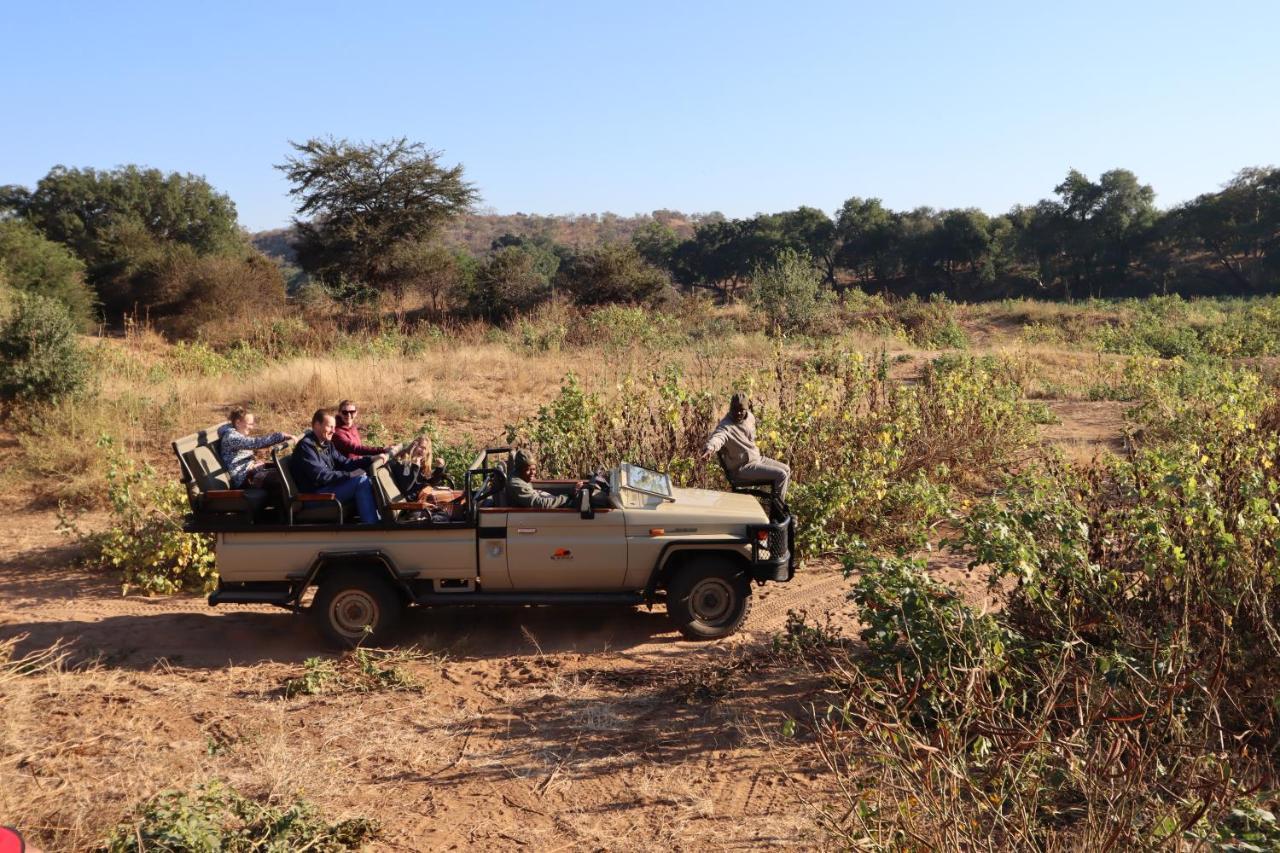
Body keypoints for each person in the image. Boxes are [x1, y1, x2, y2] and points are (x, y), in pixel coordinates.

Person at [290, 408, 381, 524]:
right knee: (360, 483)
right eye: (330, 427)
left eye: (334, 427)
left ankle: (380, 520)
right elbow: (321, 476)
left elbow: (346, 463)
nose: (334, 431)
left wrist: (371, 459)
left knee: (370, 480)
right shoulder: (306, 447)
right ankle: (372, 527)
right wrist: (349, 475)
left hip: (328, 489)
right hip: (314, 496)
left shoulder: (327, 444)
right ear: (317, 425)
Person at [700, 392, 790, 502]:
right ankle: (778, 512)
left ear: (747, 409)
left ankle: (773, 504)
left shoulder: (750, 417)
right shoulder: (726, 426)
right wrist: (710, 448)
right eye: (735, 409)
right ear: (730, 408)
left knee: (786, 469)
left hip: (757, 459)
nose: (738, 413)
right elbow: (718, 437)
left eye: (741, 410)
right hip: (742, 468)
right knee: (781, 475)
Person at [218, 408, 295, 488]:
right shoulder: (231, 437)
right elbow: (255, 443)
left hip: (252, 472)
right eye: (250, 424)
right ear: (238, 423)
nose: (252, 427)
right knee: (285, 479)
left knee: (290, 470)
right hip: (244, 479)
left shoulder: (236, 433)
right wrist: (281, 436)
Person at [506, 449, 573, 509]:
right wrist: (566, 497)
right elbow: (541, 504)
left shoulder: (522, 477)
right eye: (528, 470)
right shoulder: (516, 484)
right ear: (519, 469)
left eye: (534, 469)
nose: (532, 473)